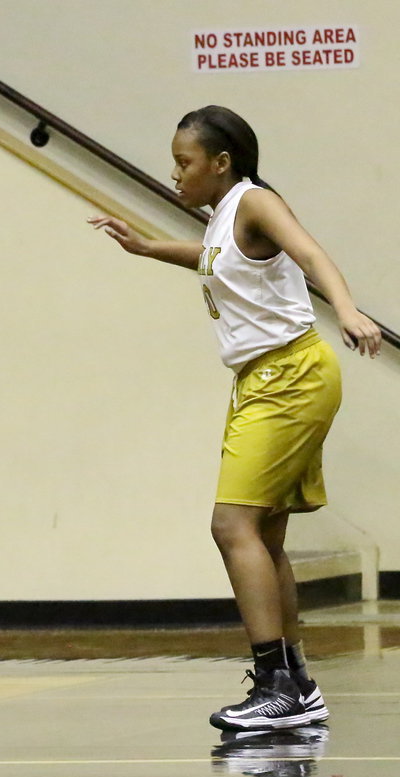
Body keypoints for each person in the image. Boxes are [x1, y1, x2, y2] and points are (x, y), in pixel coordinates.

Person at [88, 106, 380, 731]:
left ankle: (276, 683)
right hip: (264, 379)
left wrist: (349, 309)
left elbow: (309, 251)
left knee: (231, 526)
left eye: (184, 162)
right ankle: (297, 680)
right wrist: (147, 248)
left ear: (221, 163)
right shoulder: (225, 218)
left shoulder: (254, 200)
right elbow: (213, 256)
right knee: (263, 536)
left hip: (290, 375)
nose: (175, 173)